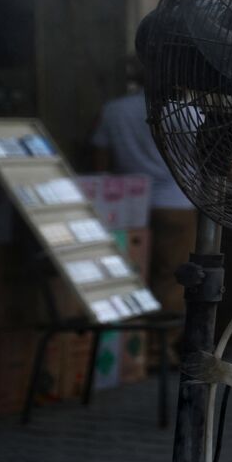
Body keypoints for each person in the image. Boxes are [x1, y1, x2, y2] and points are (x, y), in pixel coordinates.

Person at [92, 61, 197, 315]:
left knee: (132, 275)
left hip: (128, 207)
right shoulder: (187, 113)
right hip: (177, 204)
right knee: (172, 276)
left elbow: (100, 160)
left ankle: (133, 343)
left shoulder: (114, 110)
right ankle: (161, 344)